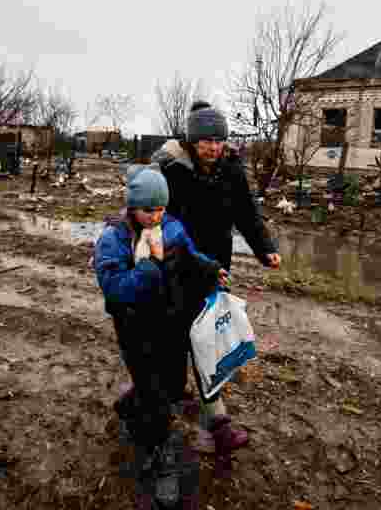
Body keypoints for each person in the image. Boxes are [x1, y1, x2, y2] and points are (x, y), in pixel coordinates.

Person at [150, 100, 282, 465]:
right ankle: (155, 405)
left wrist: (264, 249)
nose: (213, 146)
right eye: (206, 140)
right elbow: (152, 219)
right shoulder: (170, 171)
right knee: (173, 343)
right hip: (174, 269)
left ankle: (216, 423)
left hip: (215, 272)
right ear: (192, 141)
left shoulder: (231, 170)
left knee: (210, 342)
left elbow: (247, 214)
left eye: (219, 140)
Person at [93, 166, 227, 507]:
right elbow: (115, 290)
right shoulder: (115, 239)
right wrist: (150, 267)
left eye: (161, 208)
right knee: (156, 398)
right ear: (132, 206)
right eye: (149, 209)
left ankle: (130, 403)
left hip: (170, 322)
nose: (156, 216)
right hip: (135, 328)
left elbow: (190, 258)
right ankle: (159, 457)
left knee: (170, 383)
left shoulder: (172, 228)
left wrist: (210, 270)